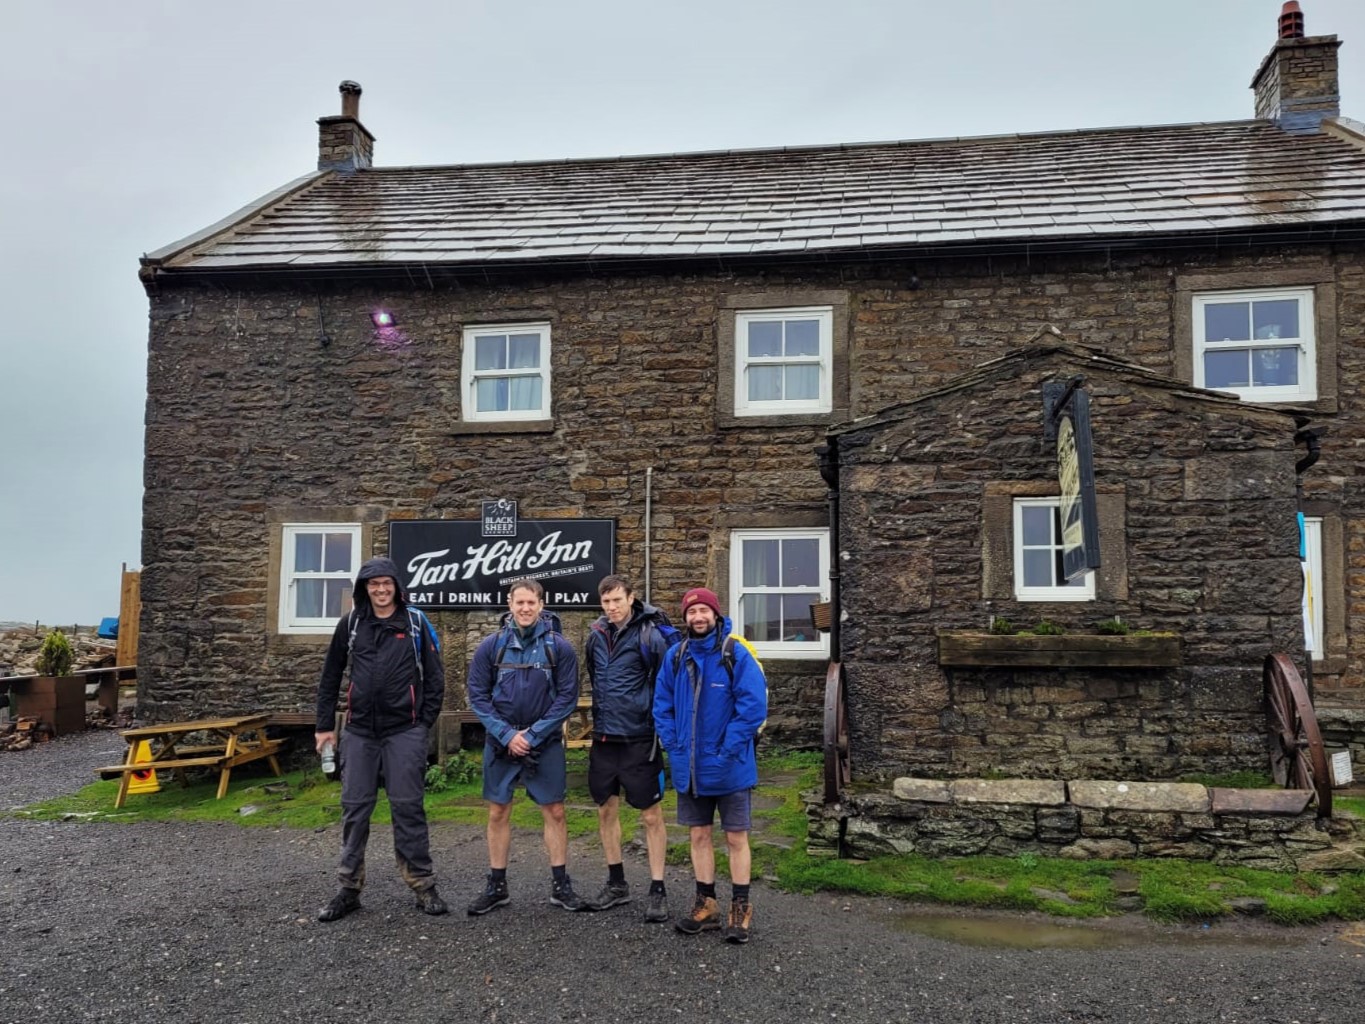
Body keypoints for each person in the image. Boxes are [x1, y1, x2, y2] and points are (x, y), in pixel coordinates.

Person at [314, 556, 447, 921]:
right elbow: (330, 676)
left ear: (397, 587)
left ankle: (422, 884)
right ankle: (349, 887)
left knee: (408, 809)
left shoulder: (416, 623)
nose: (381, 589)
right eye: (373, 584)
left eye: (387, 583)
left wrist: (422, 724)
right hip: (359, 733)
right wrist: (324, 726)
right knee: (355, 810)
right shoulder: (352, 624)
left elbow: (436, 680)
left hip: (405, 731)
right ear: (364, 589)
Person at [465, 577, 587, 914]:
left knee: (556, 811)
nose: (525, 608)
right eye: (519, 602)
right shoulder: (491, 647)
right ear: (509, 604)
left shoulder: (558, 648)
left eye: (531, 602)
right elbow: (476, 695)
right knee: (498, 810)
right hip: (501, 741)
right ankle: (497, 885)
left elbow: (566, 698)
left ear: (541, 605)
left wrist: (532, 735)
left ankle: (561, 886)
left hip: (543, 742)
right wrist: (507, 735)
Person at [653, 587, 767, 944]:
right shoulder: (675, 656)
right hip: (690, 767)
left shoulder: (736, 654)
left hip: (730, 766)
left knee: (736, 837)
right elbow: (662, 705)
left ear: (716, 615)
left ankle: (740, 907)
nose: (698, 617)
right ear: (685, 617)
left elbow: (752, 707)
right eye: (691, 612)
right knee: (699, 834)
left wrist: (728, 749)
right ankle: (707, 905)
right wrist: (673, 744)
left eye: (704, 611)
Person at [582, 574, 679, 921]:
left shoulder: (650, 634)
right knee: (606, 810)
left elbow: (668, 682)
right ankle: (616, 883)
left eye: (617, 601)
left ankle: (658, 889)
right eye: (606, 602)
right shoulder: (595, 636)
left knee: (651, 815)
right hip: (605, 739)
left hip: (641, 738)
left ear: (631, 598)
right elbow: (595, 678)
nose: (611, 608)